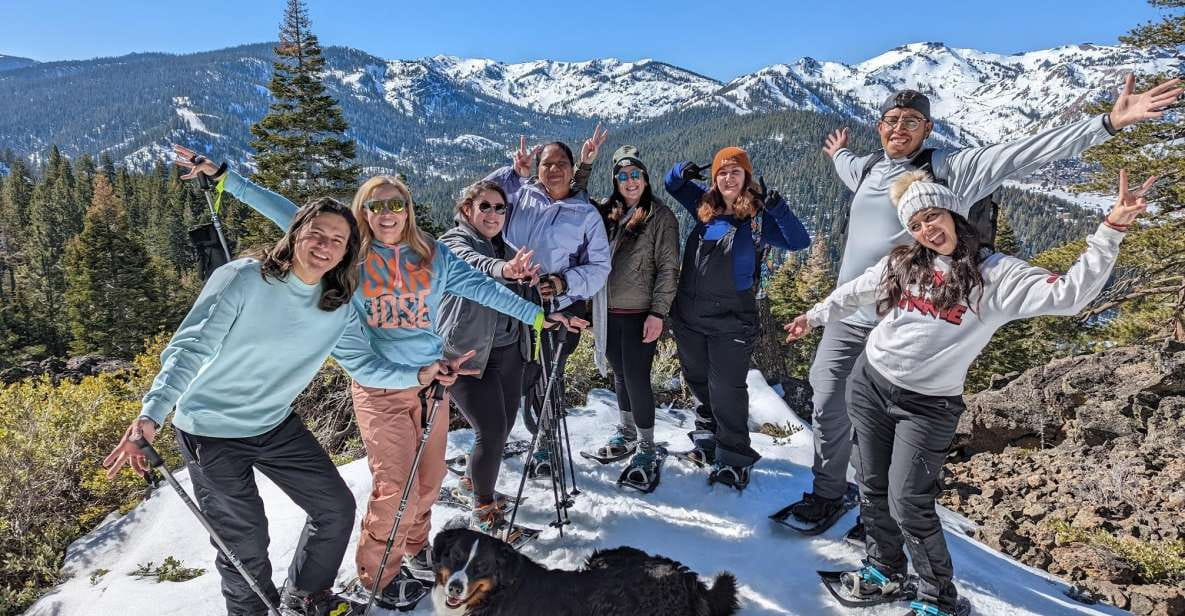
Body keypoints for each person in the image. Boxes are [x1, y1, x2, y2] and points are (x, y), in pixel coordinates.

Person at [786, 74, 1184, 535]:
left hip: (910, 318)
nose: (899, 128)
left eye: (911, 121)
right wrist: (838, 153)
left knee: (893, 423)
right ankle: (829, 492)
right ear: (879, 127)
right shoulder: (870, 167)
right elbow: (848, 168)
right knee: (829, 400)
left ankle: (885, 519)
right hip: (851, 313)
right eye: (891, 120)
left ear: (928, 129)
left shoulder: (954, 169)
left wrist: (1108, 123)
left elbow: (1024, 151)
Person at [172, 145, 548, 611]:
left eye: (396, 204)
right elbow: (288, 215)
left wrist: (536, 317)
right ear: (362, 213)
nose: (387, 213)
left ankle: (413, 553)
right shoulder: (352, 256)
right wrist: (225, 177)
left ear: (407, 210)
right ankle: (377, 577)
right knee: (397, 489)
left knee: (428, 483)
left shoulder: (431, 255)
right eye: (376, 205)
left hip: (432, 386)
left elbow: (483, 287)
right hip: (379, 388)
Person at [784, 169, 1153, 616]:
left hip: (927, 405)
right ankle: (883, 570)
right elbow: (856, 290)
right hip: (871, 381)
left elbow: (1070, 295)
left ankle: (937, 598)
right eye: (916, 224)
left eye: (933, 216)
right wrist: (815, 316)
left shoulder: (994, 275)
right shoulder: (904, 262)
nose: (927, 229)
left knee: (909, 502)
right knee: (872, 484)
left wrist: (1111, 229)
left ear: (955, 214)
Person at [102, 197, 463, 616]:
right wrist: (152, 413)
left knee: (334, 508)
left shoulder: (336, 303)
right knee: (245, 543)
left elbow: (364, 365)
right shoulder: (242, 279)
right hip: (210, 432)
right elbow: (190, 348)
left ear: (348, 251)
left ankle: (307, 595)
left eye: (338, 240)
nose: (324, 245)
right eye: (316, 233)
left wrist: (419, 377)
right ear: (295, 234)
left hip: (273, 424)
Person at [663, 146, 810, 489]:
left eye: (735, 172)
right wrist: (680, 169)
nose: (729, 178)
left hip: (733, 317)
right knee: (698, 380)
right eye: (722, 173)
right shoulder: (705, 207)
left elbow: (799, 241)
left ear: (746, 178)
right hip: (689, 313)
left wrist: (780, 208)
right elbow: (672, 185)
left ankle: (733, 457)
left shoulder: (758, 218)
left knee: (727, 387)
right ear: (714, 179)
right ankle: (707, 441)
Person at [436, 180, 577, 536]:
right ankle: (482, 512)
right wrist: (506, 270)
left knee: (504, 422)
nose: (494, 214)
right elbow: (473, 265)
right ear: (467, 209)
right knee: (492, 430)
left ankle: (471, 484)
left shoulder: (506, 246)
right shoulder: (454, 242)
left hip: (509, 349)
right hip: (465, 355)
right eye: (485, 206)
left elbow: (518, 294)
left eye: (501, 208)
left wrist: (540, 299)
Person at [483, 126, 610, 476]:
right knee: (510, 373)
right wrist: (512, 173)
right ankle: (501, 436)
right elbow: (477, 201)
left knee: (544, 375)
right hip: (510, 301)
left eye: (561, 164)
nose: (554, 170)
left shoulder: (585, 214)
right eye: (546, 164)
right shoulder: (520, 195)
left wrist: (564, 281)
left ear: (573, 169)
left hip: (560, 306)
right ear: (537, 169)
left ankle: (544, 442)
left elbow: (600, 266)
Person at [581, 145, 680, 490]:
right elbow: (575, 195)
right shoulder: (608, 212)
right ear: (615, 181)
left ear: (645, 177)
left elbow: (668, 268)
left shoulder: (660, 216)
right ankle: (626, 431)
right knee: (621, 374)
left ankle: (647, 446)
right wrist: (585, 164)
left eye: (635, 174)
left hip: (640, 312)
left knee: (636, 377)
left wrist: (658, 312)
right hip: (606, 310)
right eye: (622, 176)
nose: (630, 181)